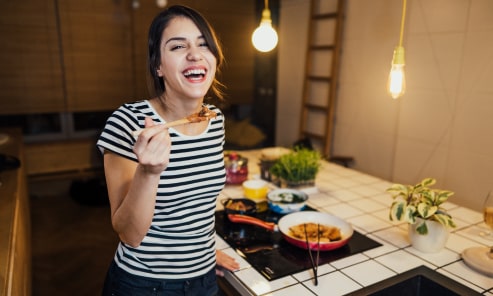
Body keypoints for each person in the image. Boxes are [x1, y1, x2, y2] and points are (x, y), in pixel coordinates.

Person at [97, 5, 239, 295]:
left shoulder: (215, 118)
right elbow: (129, 234)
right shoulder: (128, 122)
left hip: (203, 281)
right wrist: (148, 173)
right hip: (142, 285)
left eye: (203, 44)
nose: (195, 54)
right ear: (158, 65)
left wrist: (203, 255)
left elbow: (197, 211)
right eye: (177, 46)